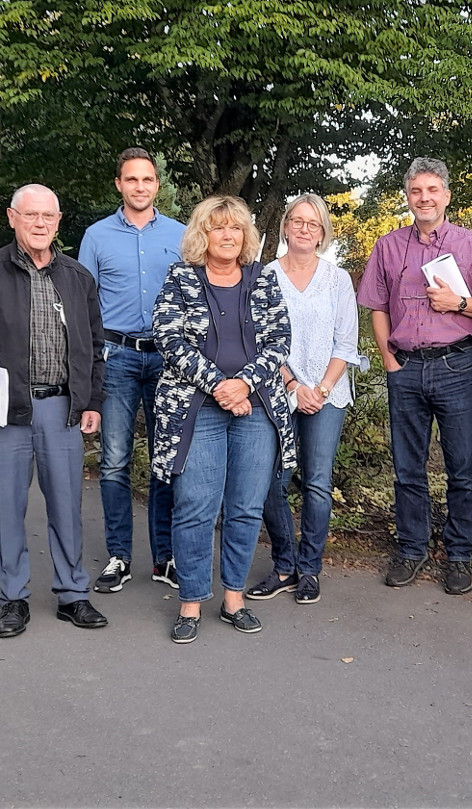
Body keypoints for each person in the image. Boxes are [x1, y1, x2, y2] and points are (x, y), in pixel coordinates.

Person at [152, 195, 295, 643]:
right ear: (203, 235)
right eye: (218, 228)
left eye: (236, 228)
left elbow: (279, 340)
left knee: (246, 507)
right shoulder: (180, 278)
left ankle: (234, 599)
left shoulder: (263, 279)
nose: (228, 235)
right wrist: (219, 385)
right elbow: (169, 338)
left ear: (246, 235)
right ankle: (191, 603)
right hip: (196, 409)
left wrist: (244, 384)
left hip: (255, 408)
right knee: (195, 505)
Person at [357, 158, 472, 596]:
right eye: (417, 190)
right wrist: (387, 360)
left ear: (447, 195)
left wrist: (459, 303)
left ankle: (459, 555)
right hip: (406, 367)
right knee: (407, 468)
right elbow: (378, 307)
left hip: (457, 365)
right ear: (408, 196)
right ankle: (412, 548)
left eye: (433, 189)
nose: (425, 198)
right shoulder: (387, 247)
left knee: (461, 468)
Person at [0, 184, 109, 637]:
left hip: (63, 407)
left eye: (48, 216)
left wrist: (92, 401)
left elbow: (97, 345)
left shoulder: (78, 277)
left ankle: (72, 594)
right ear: (12, 218)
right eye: (31, 216)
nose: (40, 223)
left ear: (59, 221)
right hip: (8, 410)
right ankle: (12, 598)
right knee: (7, 507)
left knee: (66, 504)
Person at [78, 148, 185, 593]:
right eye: (131, 179)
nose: (140, 186)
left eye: (148, 179)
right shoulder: (97, 236)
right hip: (117, 357)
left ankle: (164, 558)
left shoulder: (181, 235)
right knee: (115, 463)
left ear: (157, 184)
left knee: (166, 462)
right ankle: (119, 557)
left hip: (168, 358)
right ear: (119, 185)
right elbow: (84, 304)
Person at [248, 194, 359, 606]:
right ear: (285, 226)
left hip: (328, 395)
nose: (305, 229)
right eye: (297, 221)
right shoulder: (264, 277)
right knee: (269, 481)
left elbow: (346, 343)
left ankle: (309, 569)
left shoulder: (338, 279)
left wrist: (322, 390)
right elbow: (259, 338)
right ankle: (283, 565)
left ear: (323, 231)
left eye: (313, 224)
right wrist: (294, 386)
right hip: (277, 390)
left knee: (316, 482)